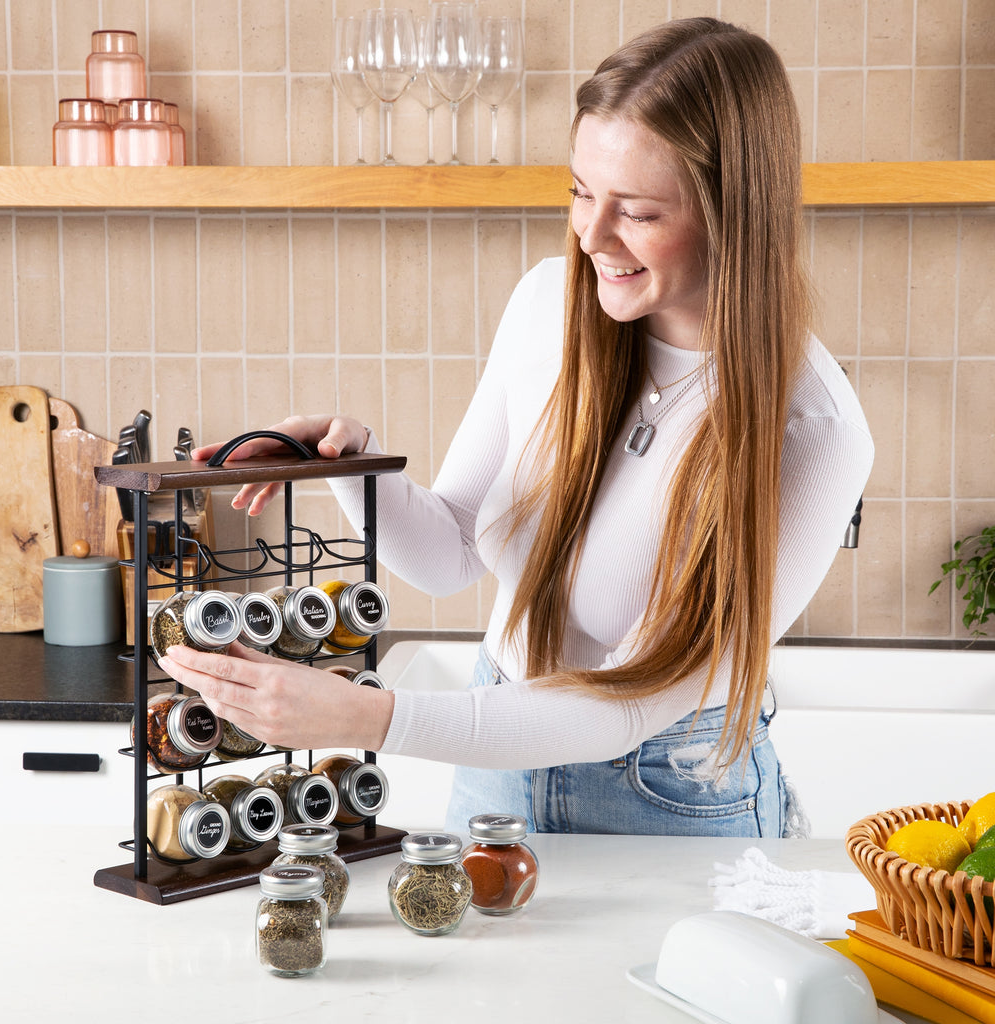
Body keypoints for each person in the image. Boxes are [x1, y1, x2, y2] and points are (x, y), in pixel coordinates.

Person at [160, 17, 873, 838]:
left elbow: (628, 702)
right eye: (579, 191)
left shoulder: (808, 428)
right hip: (494, 766)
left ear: (733, 211)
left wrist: (365, 719)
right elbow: (450, 550)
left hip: (669, 797)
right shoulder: (548, 306)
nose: (592, 236)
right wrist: (350, 465)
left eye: (636, 211)